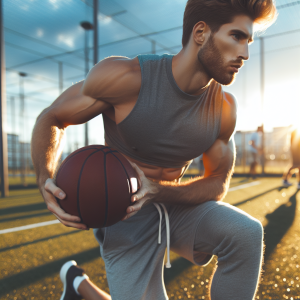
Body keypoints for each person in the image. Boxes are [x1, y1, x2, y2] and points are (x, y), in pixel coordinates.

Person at [31, 0, 277, 299]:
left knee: (246, 233)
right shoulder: (127, 78)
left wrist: (159, 191)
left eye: (249, 41)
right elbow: (52, 117)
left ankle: (77, 286)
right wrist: (45, 175)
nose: (245, 53)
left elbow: (217, 183)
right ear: (201, 33)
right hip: (123, 213)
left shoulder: (223, 108)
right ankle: (79, 284)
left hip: (175, 205)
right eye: (237, 37)